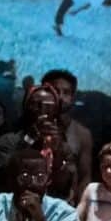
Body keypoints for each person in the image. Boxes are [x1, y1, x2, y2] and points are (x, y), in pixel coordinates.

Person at [41, 69, 93, 200]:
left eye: (66, 92)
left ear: (72, 98)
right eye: (55, 91)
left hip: (65, 205)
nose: (60, 97)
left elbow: (84, 176)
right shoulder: (31, 127)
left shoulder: (82, 134)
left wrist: (79, 211)